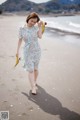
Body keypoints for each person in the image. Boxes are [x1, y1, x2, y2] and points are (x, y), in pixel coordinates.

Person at [16, 12, 43, 95]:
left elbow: (40, 36)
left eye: (35, 22)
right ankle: (33, 87)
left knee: (35, 69)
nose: (33, 23)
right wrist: (17, 51)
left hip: (36, 51)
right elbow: (20, 40)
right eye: (32, 21)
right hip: (27, 52)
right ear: (28, 19)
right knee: (30, 70)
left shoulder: (35, 28)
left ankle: (34, 81)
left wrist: (40, 27)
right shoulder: (21, 28)